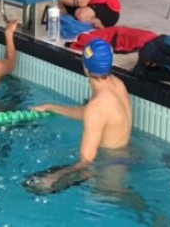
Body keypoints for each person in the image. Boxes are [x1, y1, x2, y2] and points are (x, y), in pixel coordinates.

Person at [25, 38, 131, 194]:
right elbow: (95, 116)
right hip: (124, 155)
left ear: (86, 67)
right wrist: (52, 107)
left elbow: (85, 161)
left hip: (108, 167)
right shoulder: (117, 84)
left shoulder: (96, 108)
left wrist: (53, 177)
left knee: (110, 197)